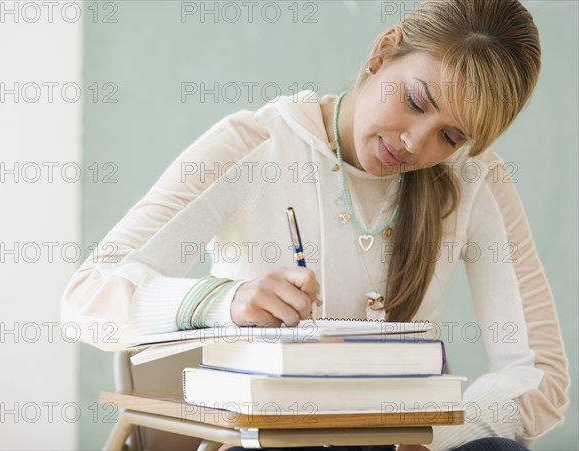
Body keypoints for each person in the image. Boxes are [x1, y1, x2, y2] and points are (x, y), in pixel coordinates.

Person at [60, 0, 570, 449]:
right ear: (382, 52)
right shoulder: (255, 144)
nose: (416, 142)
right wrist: (224, 301)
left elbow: (539, 375)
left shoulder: (475, 178)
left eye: (450, 136)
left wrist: (431, 432)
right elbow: (86, 301)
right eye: (415, 101)